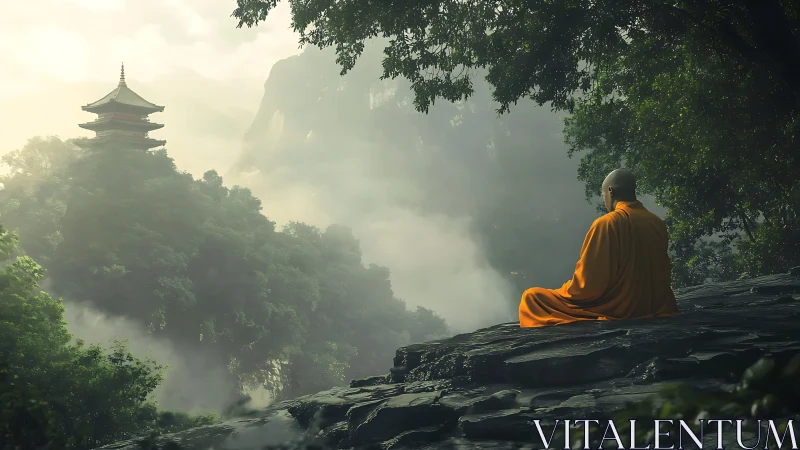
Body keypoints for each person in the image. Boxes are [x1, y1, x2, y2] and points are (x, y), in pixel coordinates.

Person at [518, 168, 679, 328]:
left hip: (617, 309)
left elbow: (587, 286)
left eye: (603, 195)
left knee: (532, 297)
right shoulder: (657, 222)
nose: (604, 200)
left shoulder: (607, 224)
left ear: (611, 191)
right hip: (654, 305)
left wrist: (562, 291)